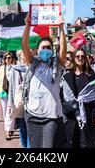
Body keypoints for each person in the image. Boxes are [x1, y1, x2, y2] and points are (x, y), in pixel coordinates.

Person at [22, 13, 67, 148]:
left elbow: (63, 50)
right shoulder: (33, 63)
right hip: (32, 115)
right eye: (43, 47)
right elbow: (24, 45)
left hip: (51, 116)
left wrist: (61, 29)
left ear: (52, 50)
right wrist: (27, 26)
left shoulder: (57, 65)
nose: (46, 50)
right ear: (37, 50)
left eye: (49, 47)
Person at [61, 49, 95, 148]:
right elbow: (61, 95)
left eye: (83, 56)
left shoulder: (91, 75)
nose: (80, 58)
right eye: (78, 56)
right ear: (74, 58)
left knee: (88, 142)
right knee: (74, 141)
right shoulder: (67, 75)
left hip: (89, 114)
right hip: (72, 116)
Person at [7, 50, 29, 148]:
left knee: (30, 128)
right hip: (19, 103)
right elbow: (11, 88)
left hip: (31, 103)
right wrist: (10, 104)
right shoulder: (14, 70)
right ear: (19, 56)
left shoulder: (32, 67)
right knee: (22, 128)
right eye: (24, 53)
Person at [0, 52, 16, 140]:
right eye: (6, 58)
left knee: (10, 111)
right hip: (3, 92)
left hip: (12, 93)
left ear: (12, 58)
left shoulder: (15, 68)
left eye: (9, 57)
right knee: (5, 111)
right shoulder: (2, 68)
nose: (8, 59)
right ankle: (10, 128)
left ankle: (8, 131)